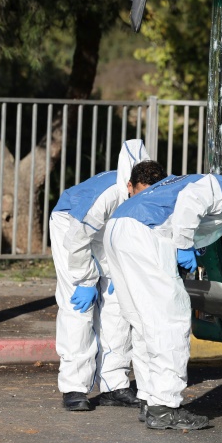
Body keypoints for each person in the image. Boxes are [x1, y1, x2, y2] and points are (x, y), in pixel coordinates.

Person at [103, 148, 222, 430]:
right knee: (170, 321)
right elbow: (192, 199)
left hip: (119, 227)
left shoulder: (221, 186)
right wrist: (184, 244)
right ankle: (165, 407)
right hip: (145, 232)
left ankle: (151, 401)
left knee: (144, 324)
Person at [50, 139, 166, 411]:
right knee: (78, 307)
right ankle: (74, 388)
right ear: (128, 186)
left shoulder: (154, 191)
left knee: (118, 305)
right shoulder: (108, 196)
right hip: (71, 226)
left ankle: (114, 383)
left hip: (106, 232)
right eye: (139, 195)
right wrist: (86, 281)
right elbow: (78, 240)